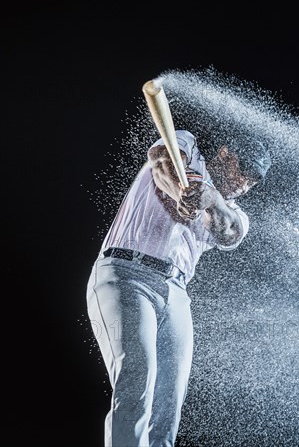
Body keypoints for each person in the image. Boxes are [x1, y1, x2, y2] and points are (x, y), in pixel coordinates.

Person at [86, 129, 271, 446]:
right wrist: (183, 192)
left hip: (175, 292)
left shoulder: (234, 211)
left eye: (252, 182)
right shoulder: (185, 144)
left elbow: (230, 232)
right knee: (136, 380)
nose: (243, 184)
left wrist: (210, 199)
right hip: (126, 273)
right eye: (243, 171)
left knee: (167, 408)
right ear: (225, 154)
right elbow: (162, 167)